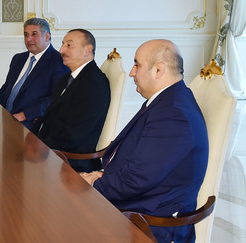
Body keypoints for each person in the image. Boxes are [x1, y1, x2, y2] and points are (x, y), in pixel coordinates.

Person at [81, 39, 209, 243]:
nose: (132, 73)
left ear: (158, 70)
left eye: (137, 65)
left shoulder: (173, 113)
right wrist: (101, 175)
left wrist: (94, 186)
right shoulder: (169, 100)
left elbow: (138, 179)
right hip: (138, 203)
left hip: (149, 222)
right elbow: (144, 166)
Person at [32, 29, 111, 172]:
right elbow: (52, 117)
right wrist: (31, 139)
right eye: (63, 44)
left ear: (87, 51)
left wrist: (40, 147)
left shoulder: (94, 83)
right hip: (52, 150)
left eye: (69, 45)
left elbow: (76, 136)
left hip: (70, 160)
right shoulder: (66, 78)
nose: (61, 50)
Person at [0, 18, 69, 129]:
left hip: (30, 122)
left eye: (34, 34)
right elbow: (6, 88)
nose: (28, 39)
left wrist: (25, 115)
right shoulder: (18, 59)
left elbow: (56, 97)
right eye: (26, 35)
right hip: (5, 118)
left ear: (47, 36)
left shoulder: (59, 61)